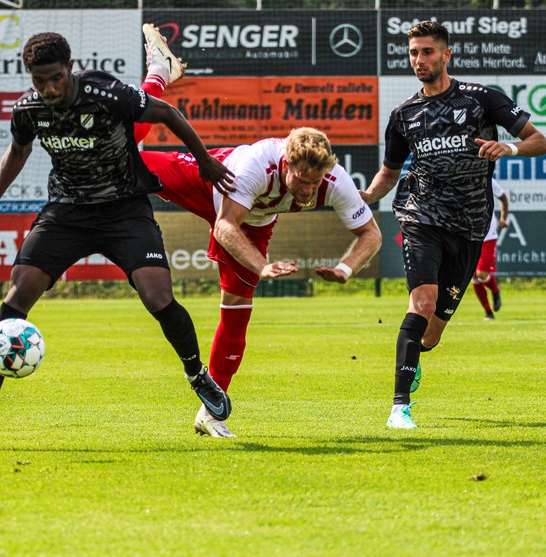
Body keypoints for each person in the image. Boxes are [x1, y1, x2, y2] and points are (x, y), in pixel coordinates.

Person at [0, 30, 235, 452]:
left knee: (158, 297)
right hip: (67, 213)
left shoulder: (106, 93)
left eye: (56, 78)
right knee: (16, 299)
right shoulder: (29, 109)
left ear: (69, 68)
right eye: (40, 81)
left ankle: (197, 375)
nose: (49, 89)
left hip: (124, 209)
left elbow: (167, 113)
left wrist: (205, 160)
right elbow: (18, 152)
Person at [133, 26, 382, 438]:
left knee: (237, 310)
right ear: (286, 164)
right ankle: (158, 74)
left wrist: (345, 269)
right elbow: (225, 225)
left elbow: (370, 234)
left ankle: (210, 413)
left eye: (315, 184)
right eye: (301, 181)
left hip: (256, 220)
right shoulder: (256, 166)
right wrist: (263, 266)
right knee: (126, 155)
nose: (308, 191)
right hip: (212, 183)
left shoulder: (334, 180)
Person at [359, 20, 546, 429]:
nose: (419, 60)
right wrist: (365, 196)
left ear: (446, 55)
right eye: (413, 53)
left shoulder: (481, 99)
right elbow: (389, 173)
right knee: (422, 302)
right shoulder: (404, 114)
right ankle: (399, 407)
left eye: (427, 52)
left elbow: (539, 140)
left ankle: (415, 357)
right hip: (421, 215)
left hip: (471, 225)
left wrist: (509, 146)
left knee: (431, 333)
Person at [472, 178, 508, 320]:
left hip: (488, 235)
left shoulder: (487, 179)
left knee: (481, 274)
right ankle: (488, 312)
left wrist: (503, 217)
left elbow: (503, 197)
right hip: (469, 235)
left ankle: (495, 289)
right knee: (473, 277)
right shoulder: (460, 177)